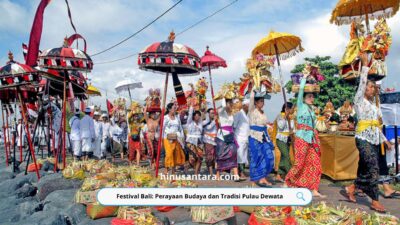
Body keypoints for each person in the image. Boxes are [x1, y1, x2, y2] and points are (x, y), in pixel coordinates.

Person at [345, 53, 394, 213]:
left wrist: (385, 140)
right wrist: (365, 65)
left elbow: (376, 126)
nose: (373, 89)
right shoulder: (359, 100)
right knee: (374, 167)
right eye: (370, 87)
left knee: (365, 169)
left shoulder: (374, 106)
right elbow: (362, 82)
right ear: (364, 88)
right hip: (362, 138)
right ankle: (374, 201)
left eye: (375, 87)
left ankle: (352, 187)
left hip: (374, 139)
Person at [285, 71, 325, 198]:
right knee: (300, 162)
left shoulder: (312, 110)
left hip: (312, 138)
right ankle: (288, 181)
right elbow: (301, 90)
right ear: (304, 98)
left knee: (315, 163)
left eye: (313, 96)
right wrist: (304, 77)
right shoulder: (301, 106)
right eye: (309, 97)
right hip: (302, 137)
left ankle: (313, 189)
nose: (312, 98)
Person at [248, 91, 275, 187]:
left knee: (268, 156)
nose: (262, 103)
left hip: (264, 136)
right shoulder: (252, 110)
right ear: (255, 102)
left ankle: (263, 177)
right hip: (254, 136)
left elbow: (266, 124)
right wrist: (253, 90)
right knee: (256, 157)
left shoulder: (263, 113)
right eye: (260, 101)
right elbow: (251, 100)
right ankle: (254, 180)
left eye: (263, 101)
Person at [216, 97, 241, 181]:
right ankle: (217, 174)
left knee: (233, 153)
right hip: (222, 136)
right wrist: (224, 95)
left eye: (231, 103)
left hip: (230, 136)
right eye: (229, 103)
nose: (231, 104)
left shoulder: (232, 114)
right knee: (221, 155)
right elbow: (223, 106)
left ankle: (236, 175)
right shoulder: (221, 111)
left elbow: (238, 104)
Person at [163, 103, 185, 175]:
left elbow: (180, 128)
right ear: (169, 109)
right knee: (169, 154)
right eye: (174, 108)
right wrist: (169, 134)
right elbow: (163, 129)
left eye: (175, 108)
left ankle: (173, 171)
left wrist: (181, 137)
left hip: (176, 138)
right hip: (167, 138)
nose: (175, 109)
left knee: (175, 154)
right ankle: (166, 169)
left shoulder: (177, 117)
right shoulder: (165, 117)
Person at [275, 102, 295, 182]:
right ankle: (291, 176)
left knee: (283, 158)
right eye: (292, 108)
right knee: (287, 157)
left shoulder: (291, 117)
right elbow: (281, 126)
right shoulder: (280, 116)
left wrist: (293, 132)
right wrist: (285, 117)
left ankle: (278, 175)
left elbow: (293, 128)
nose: (293, 110)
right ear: (287, 109)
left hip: (288, 140)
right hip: (280, 139)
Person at [233, 99, 250, 179]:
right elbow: (234, 126)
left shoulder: (248, 115)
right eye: (248, 105)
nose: (249, 106)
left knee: (244, 156)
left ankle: (241, 172)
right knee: (239, 156)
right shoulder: (239, 114)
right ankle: (240, 172)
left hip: (246, 138)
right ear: (243, 106)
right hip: (239, 138)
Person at [186, 103, 204, 175]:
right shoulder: (189, 122)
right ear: (193, 116)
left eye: (198, 116)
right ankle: (186, 167)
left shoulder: (200, 123)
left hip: (199, 142)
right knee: (192, 159)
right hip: (191, 142)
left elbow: (203, 113)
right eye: (196, 115)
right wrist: (192, 105)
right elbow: (190, 114)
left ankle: (196, 173)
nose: (197, 117)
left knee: (199, 158)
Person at [143, 103, 160, 168]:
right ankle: (152, 163)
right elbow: (144, 112)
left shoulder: (157, 120)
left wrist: (160, 107)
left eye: (155, 113)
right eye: (153, 113)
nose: (154, 114)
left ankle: (154, 162)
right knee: (151, 150)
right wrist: (147, 104)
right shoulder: (148, 120)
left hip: (155, 136)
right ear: (150, 114)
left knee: (156, 151)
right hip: (149, 136)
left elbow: (161, 114)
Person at [203, 108, 217, 175]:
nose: (213, 114)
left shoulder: (216, 121)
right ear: (208, 114)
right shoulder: (205, 121)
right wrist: (214, 120)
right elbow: (209, 128)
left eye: (214, 113)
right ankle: (211, 172)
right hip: (208, 140)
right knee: (209, 157)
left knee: (214, 157)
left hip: (215, 141)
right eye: (211, 113)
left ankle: (211, 170)